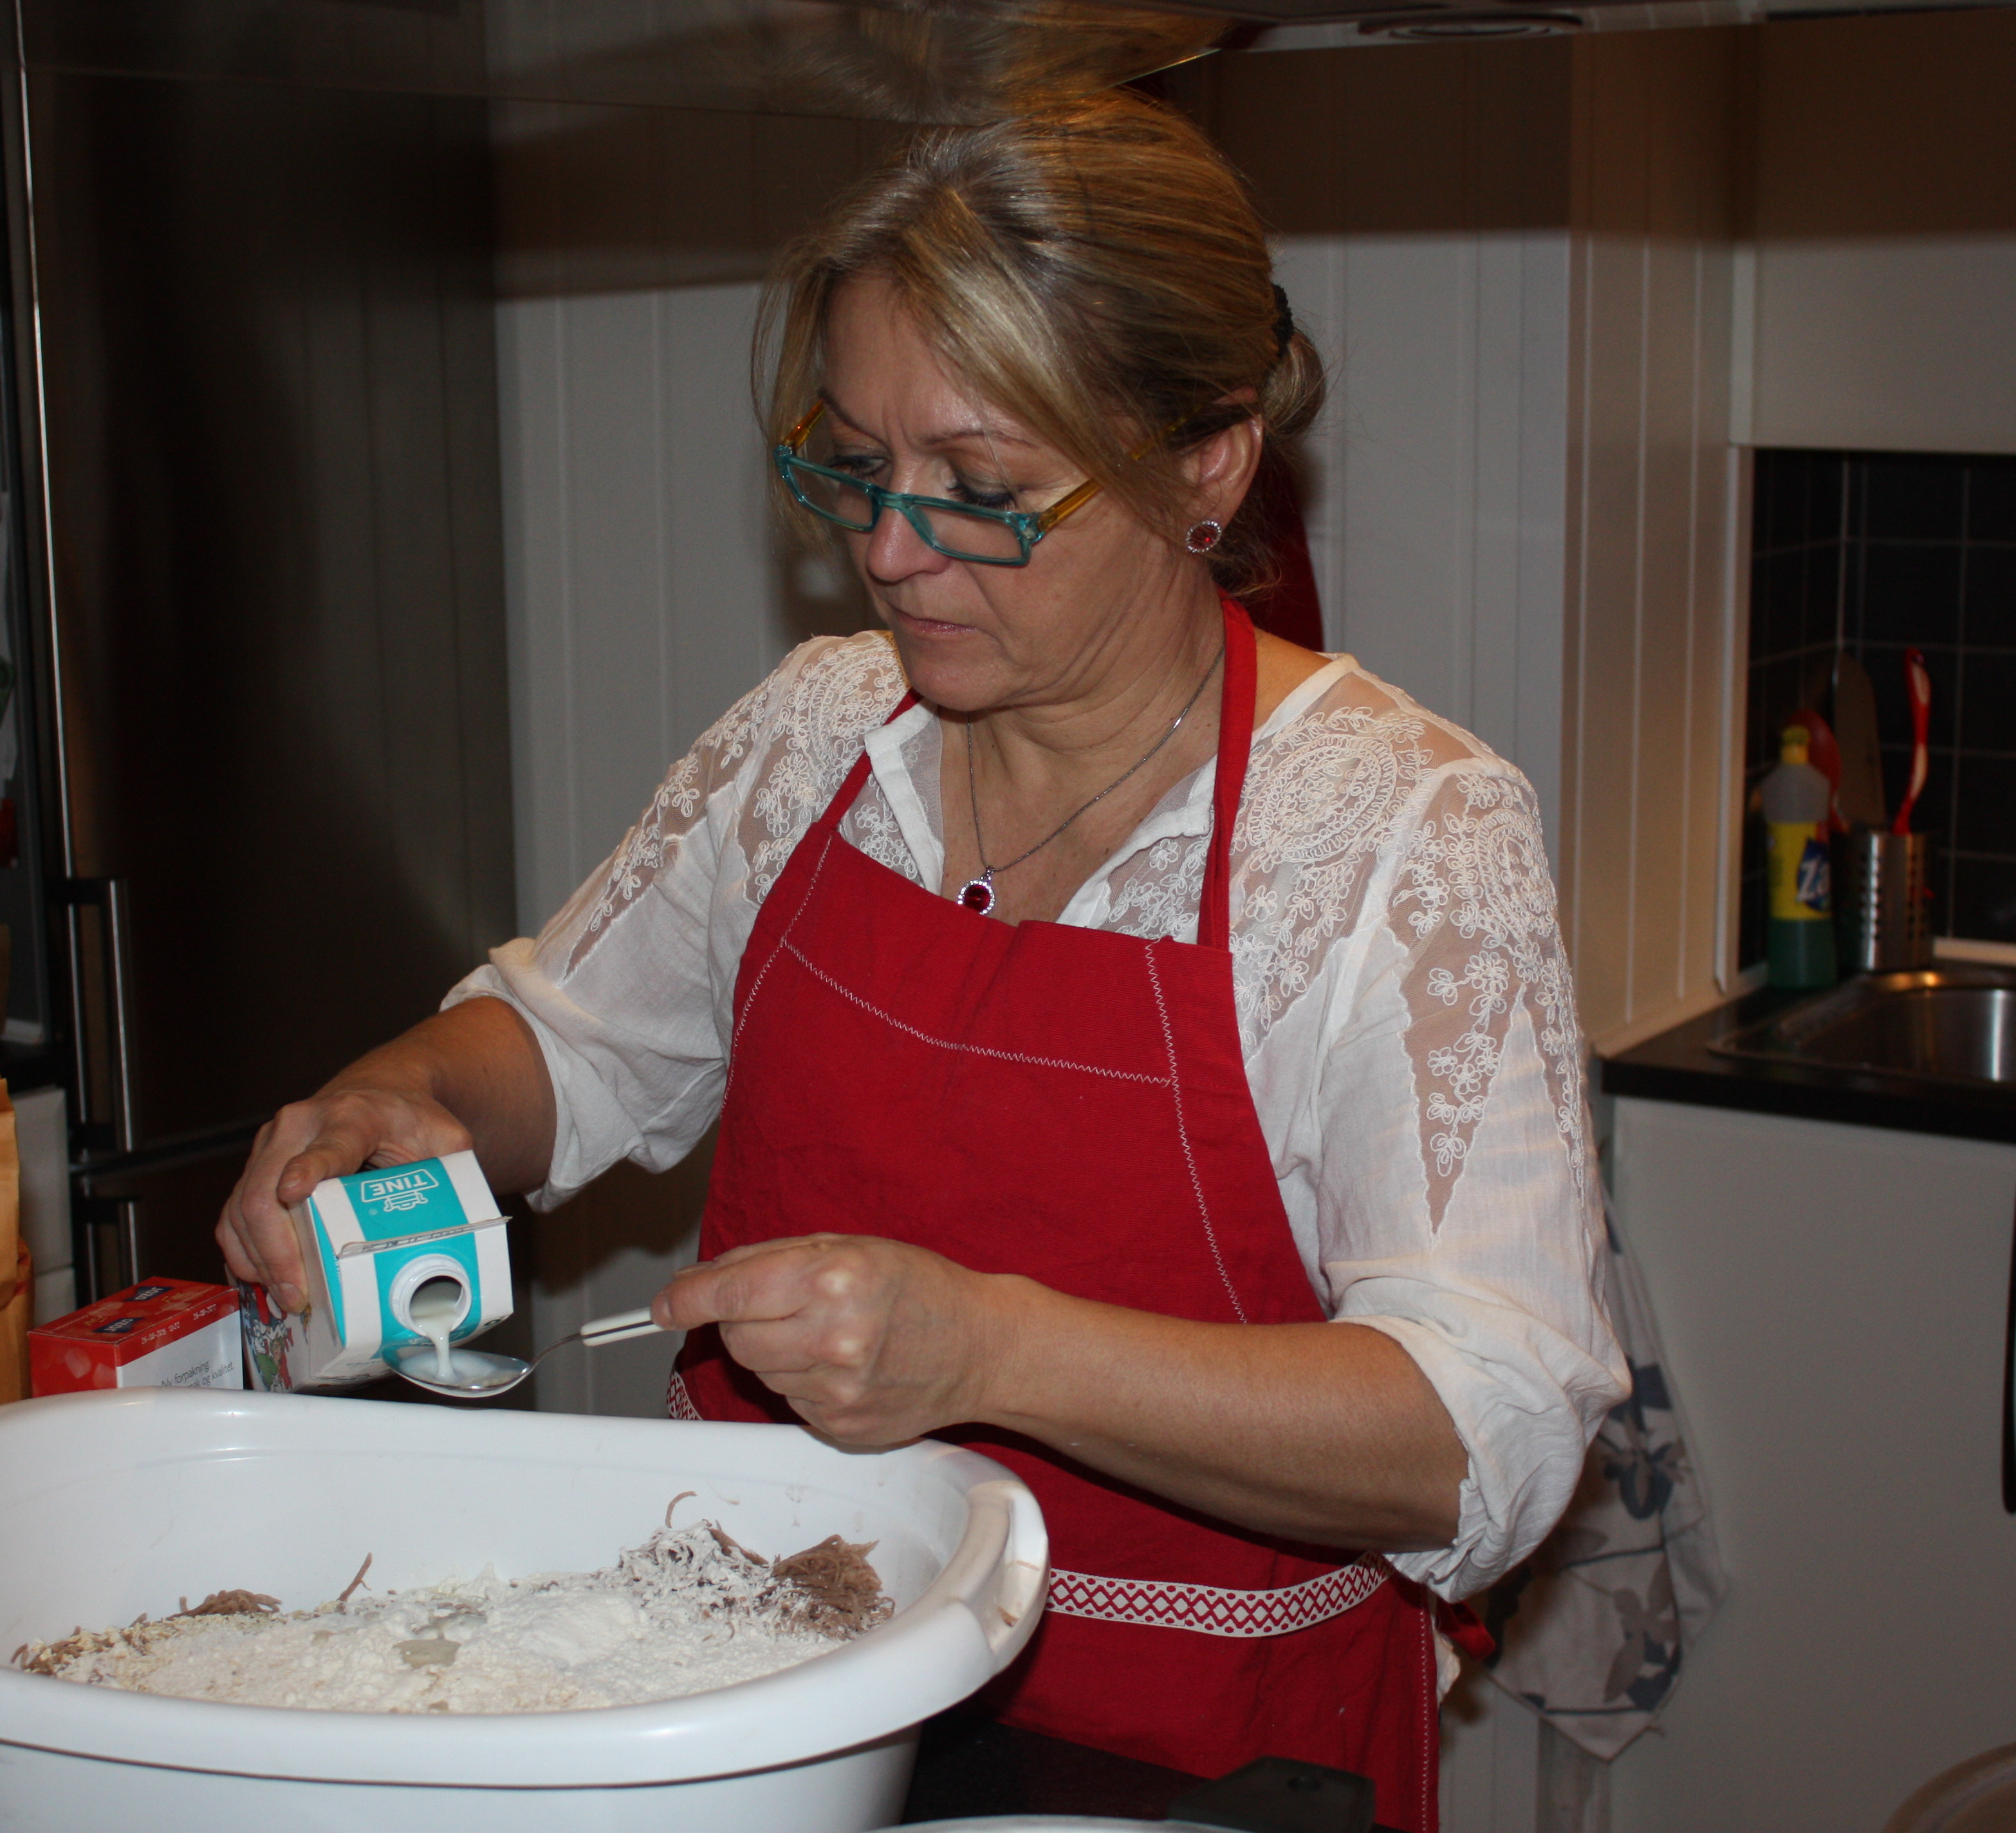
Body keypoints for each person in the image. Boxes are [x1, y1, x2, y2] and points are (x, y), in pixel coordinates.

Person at [218, 89, 1623, 1827]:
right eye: (857, 466)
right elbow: (577, 1048)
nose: (890, 551)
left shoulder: (1396, 838)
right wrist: (404, 1094)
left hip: (1192, 1764)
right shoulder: (819, 738)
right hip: (764, 1721)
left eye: (984, 489)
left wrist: (991, 1352)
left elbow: (1480, 1429)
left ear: (1208, 461)